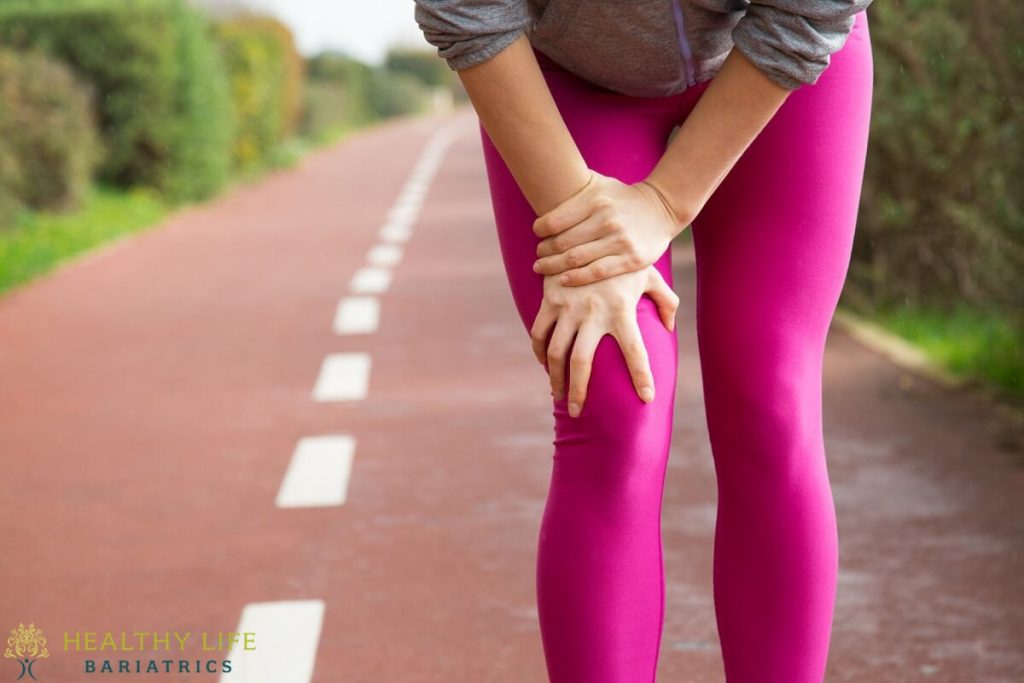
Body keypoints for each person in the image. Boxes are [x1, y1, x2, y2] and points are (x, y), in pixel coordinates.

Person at [412, 1, 875, 681]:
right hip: (567, 81)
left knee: (770, 398)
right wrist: (584, 222)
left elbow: (811, 10)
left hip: (776, 60)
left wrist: (663, 204)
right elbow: (465, 9)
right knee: (608, 401)